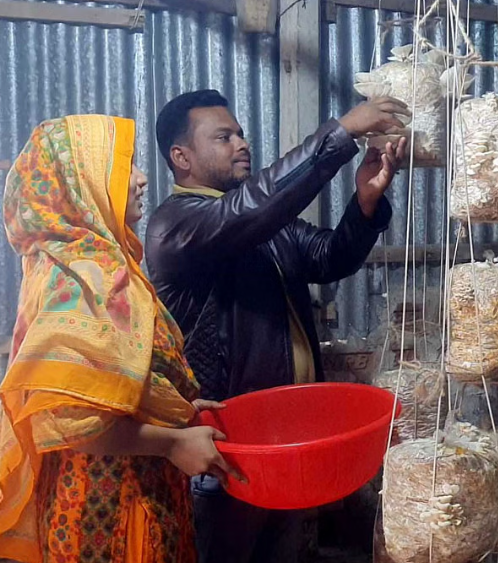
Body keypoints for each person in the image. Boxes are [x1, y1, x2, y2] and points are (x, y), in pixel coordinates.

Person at [144, 90, 409, 562]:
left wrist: (365, 203)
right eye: (222, 137)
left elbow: (330, 257)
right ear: (180, 156)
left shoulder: (263, 224)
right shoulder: (176, 225)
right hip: (226, 454)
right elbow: (247, 211)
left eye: (241, 134)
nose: (240, 144)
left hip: (287, 447)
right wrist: (341, 133)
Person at [0, 115, 242, 563]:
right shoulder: (82, 276)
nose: (142, 179)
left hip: (135, 492)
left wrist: (172, 404)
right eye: (125, 168)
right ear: (81, 184)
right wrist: (172, 442)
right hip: (105, 512)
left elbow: (110, 382)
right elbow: (68, 418)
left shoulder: (104, 263)